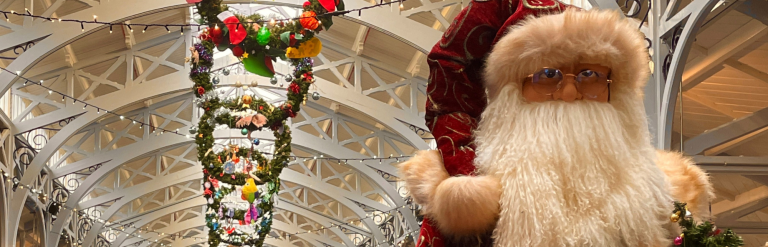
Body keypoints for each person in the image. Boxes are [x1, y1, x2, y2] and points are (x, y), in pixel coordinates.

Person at [404, 8, 714, 246]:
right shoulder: (466, 206)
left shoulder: (670, 194)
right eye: (548, 76)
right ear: (512, 95)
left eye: (590, 76)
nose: (569, 93)